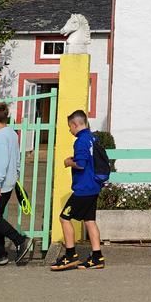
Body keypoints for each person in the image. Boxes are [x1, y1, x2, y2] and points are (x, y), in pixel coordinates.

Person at [50, 110, 105, 271]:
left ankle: (70, 255)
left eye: (70, 127)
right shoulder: (93, 138)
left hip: (83, 189)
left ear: (75, 124)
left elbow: (81, 164)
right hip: (94, 186)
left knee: (64, 218)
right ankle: (97, 257)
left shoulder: (80, 141)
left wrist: (69, 162)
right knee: (89, 221)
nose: (70, 130)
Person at [0, 102, 33, 266]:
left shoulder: (1, 137)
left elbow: (2, 162)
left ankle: (20, 240)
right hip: (7, 183)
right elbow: (16, 157)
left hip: (0, 186)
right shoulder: (11, 133)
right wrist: (16, 174)